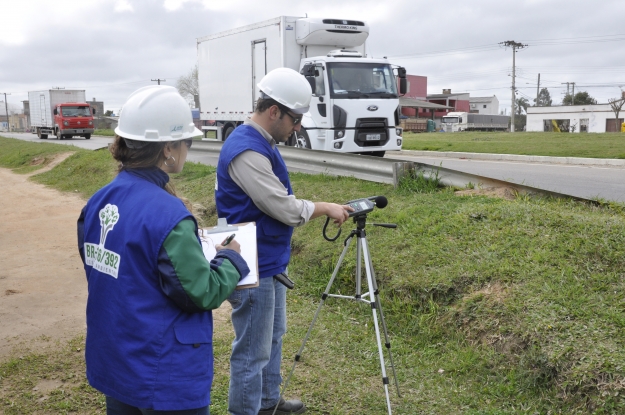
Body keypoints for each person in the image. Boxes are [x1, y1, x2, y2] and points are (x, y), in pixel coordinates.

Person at [77, 85, 249, 415]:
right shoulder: (169, 215)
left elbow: (108, 267)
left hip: (117, 359)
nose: (189, 148)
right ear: (168, 147)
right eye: (188, 141)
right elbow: (200, 292)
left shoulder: (98, 201)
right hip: (162, 372)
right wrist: (232, 258)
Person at [215, 68, 353, 415]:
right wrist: (323, 207)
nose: (299, 127)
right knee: (251, 352)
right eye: (295, 118)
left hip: (269, 259)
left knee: (273, 336)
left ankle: (267, 403)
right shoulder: (246, 151)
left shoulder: (262, 143)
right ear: (274, 111)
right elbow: (281, 206)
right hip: (251, 262)